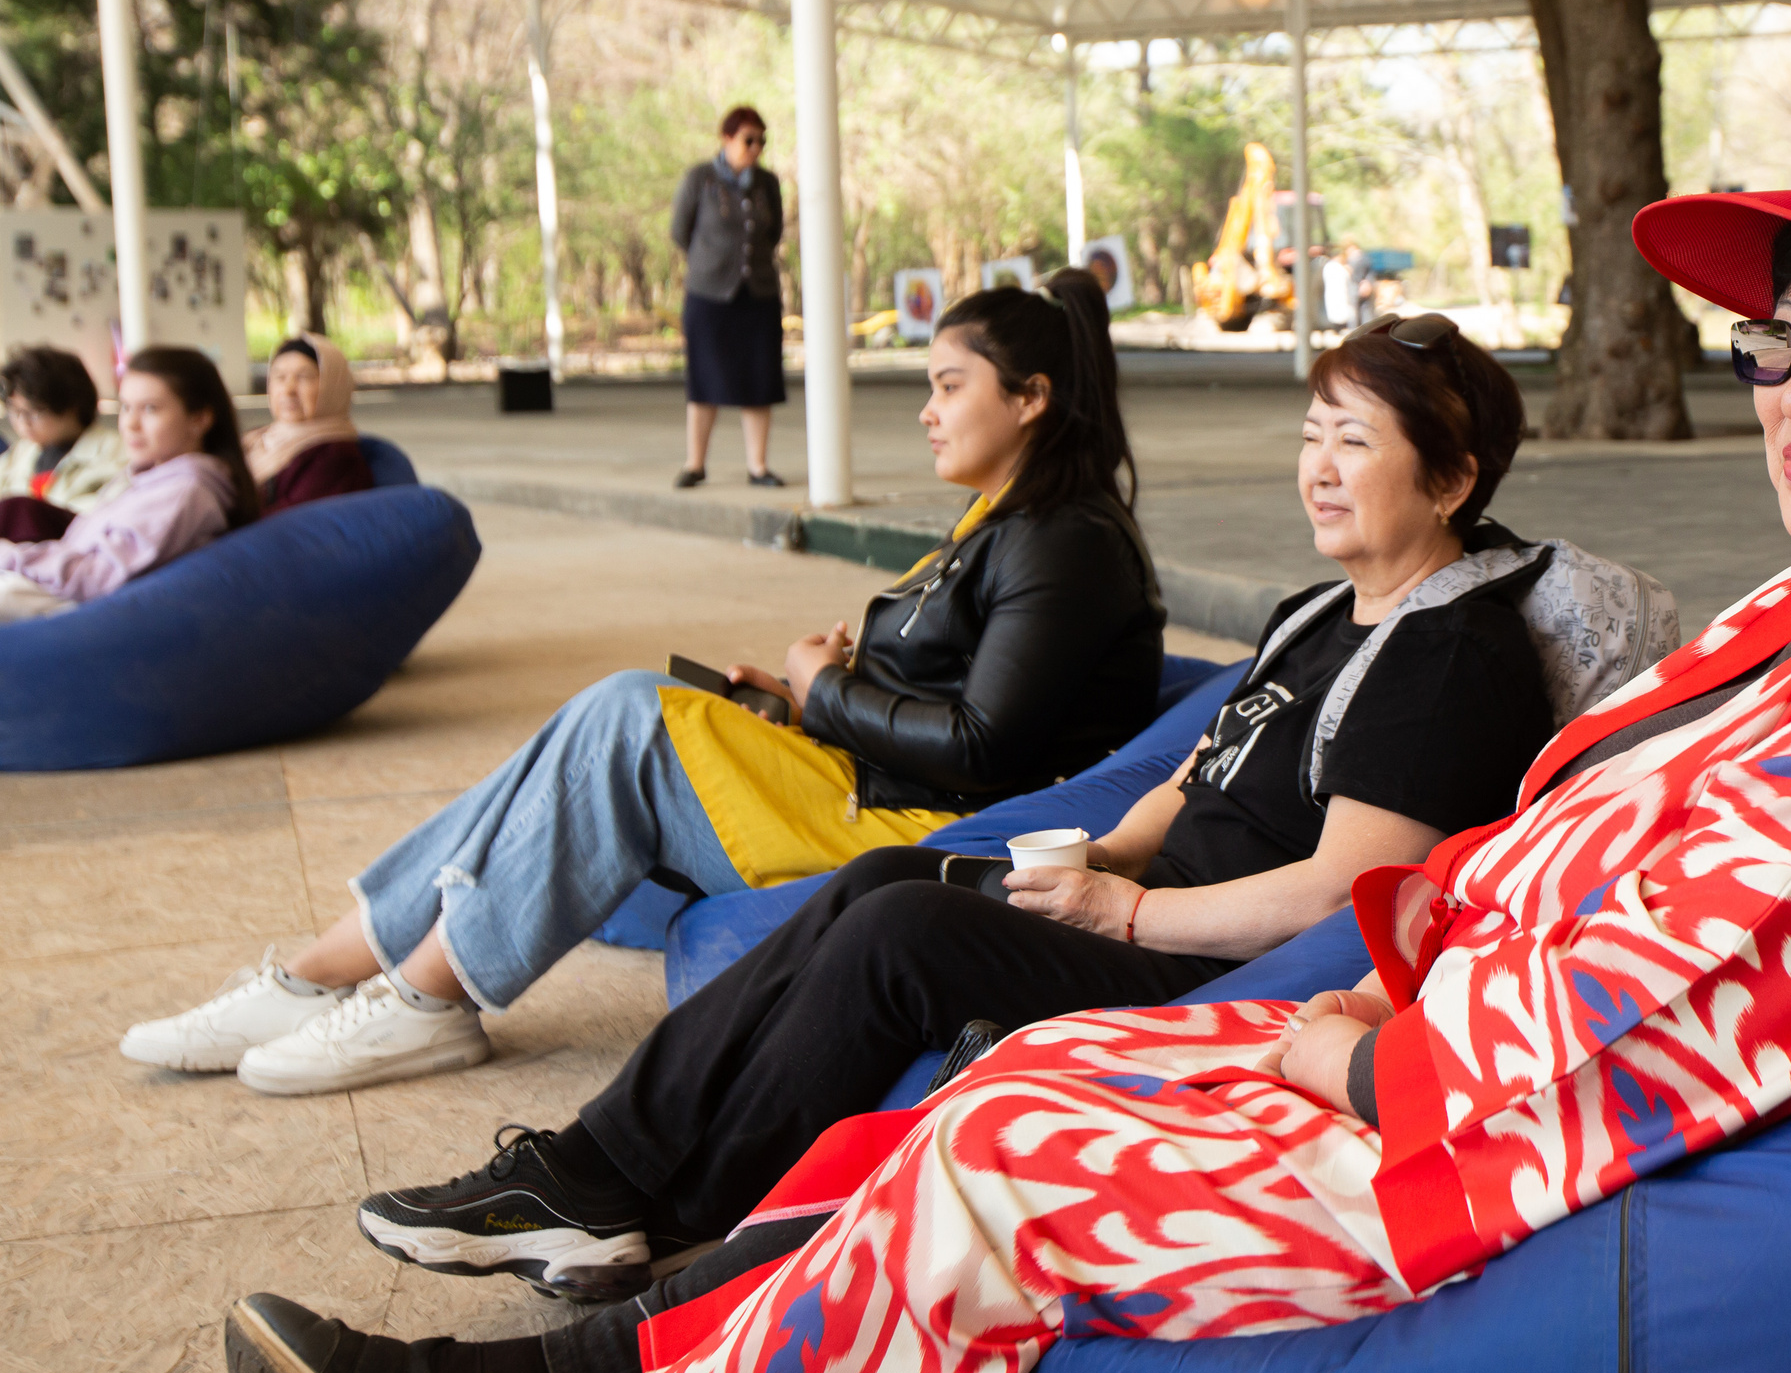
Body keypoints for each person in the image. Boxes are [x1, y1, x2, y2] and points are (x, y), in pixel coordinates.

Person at [222, 131, 1791, 1373]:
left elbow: (1641, 1011)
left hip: (1498, 1148)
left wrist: (1344, 1041)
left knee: (1001, 1142)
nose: (1786, 389)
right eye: (1774, 337)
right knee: (975, 1093)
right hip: (1452, 1050)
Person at [345, 313, 1571, 1299]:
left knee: (899, 935)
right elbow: (1193, 781)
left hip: (1209, 980)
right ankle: (590, 1175)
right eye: (1314, 432)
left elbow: (1334, 893)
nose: (1318, 467)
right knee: (883, 883)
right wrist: (1093, 857)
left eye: (1354, 442)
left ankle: (661, 1212)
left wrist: (1125, 917)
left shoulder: (1450, 656)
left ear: (1454, 476)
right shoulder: (1315, 614)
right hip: (1145, 909)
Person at [123, 271, 1166, 1097]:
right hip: (861, 778)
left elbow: (985, 749)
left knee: (624, 717)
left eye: (948, 385)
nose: (928, 412)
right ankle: (316, 977)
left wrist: (821, 685)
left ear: (1031, 398)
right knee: (596, 725)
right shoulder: (1002, 523)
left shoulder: (1064, 541)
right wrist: (800, 695)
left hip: (919, 830)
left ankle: (419, 1001)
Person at [0, 347, 258, 622]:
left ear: (199, 419)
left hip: (86, 617)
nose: (130, 424)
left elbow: (97, 578)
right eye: (125, 407)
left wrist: (11, 557)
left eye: (150, 408)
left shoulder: (183, 493)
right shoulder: (152, 478)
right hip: (65, 594)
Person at [671, 105, 786, 489]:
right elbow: (679, 231)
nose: (755, 148)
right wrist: (712, 262)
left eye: (761, 141)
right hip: (709, 295)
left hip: (758, 293)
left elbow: (774, 233)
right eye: (748, 140)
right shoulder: (700, 179)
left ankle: (758, 466)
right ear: (727, 138)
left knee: (759, 379)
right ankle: (695, 463)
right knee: (705, 378)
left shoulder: (767, 183)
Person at [0, 345, 125, 542]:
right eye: (15, 411)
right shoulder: (18, 454)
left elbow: (104, 518)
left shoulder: (117, 453)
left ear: (72, 406)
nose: (23, 423)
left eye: (35, 411)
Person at [246, 334, 373, 511]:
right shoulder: (255, 438)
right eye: (280, 377)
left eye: (304, 377)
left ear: (333, 386)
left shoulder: (335, 456)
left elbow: (288, 526)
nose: (288, 390)